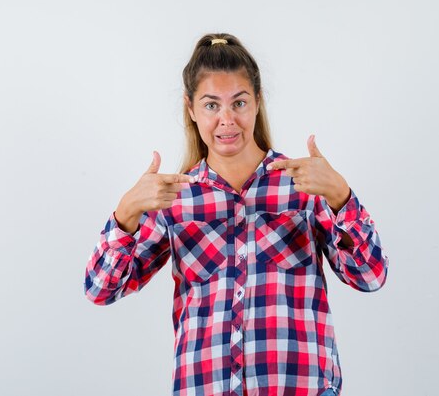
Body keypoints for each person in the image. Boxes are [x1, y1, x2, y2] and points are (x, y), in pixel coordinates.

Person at [84, 32, 389, 396]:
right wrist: (127, 211)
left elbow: (370, 277)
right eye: (212, 105)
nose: (227, 120)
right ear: (191, 109)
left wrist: (341, 196)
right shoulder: (174, 199)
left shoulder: (304, 185)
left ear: (257, 102)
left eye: (239, 103)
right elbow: (101, 289)